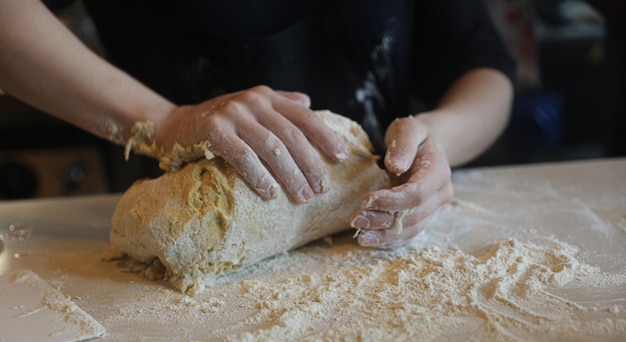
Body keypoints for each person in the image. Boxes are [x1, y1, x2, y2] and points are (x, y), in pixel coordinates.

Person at [0, 0, 515, 248]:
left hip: (376, 214)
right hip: (172, 219)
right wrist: (164, 120)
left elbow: (484, 67)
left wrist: (437, 137)